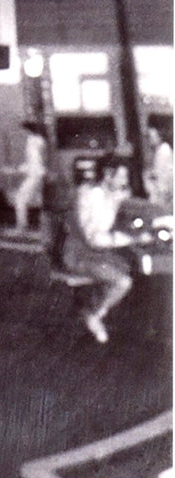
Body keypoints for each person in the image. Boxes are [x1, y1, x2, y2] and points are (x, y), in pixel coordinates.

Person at [61, 155, 141, 344]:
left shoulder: (107, 193)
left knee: (128, 268)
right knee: (123, 282)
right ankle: (94, 315)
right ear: (107, 175)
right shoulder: (94, 196)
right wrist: (130, 239)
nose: (124, 182)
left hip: (93, 252)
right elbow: (95, 238)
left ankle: (92, 306)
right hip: (80, 254)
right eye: (121, 177)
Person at [10, 121, 47, 233]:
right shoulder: (37, 140)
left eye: (22, 131)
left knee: (20, 199)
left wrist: (17, 170)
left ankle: (21, 226)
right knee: (39, 200)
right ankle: (41, 227)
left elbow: (35, 163)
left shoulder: (33, 141)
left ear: (27, 130)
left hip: (35, 175)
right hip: (38, 174)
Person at [144, 123, 173, 214]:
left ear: (159, 137)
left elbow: (162, 174)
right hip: (160, 190)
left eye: (152, 137)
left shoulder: (164, 150)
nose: (150, 140)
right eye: (149, 137)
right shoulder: (157, 151)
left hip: (163, 191)